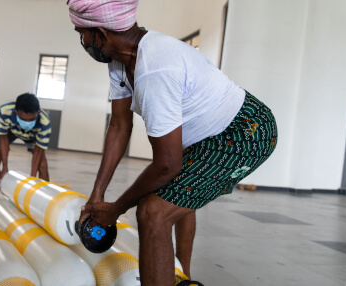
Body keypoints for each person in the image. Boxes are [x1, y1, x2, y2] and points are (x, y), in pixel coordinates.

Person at [66, 0, 278, 285]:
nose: (82, 40)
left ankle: (180, 275)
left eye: (82, 32)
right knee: (173, 196)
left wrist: (115, 210)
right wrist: (97, 196)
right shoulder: (120, 58)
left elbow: (167, 164)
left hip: (244, 133)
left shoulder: (154, 69)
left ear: (101, 34)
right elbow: (118, 126)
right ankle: (179, 276)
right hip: (208, 136)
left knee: (153, 211)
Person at [0, 93, 52, 200]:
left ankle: (44, 201)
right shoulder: (4, 111)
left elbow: (38, 151)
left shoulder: (44, 122)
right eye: (23, 119)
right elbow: (3, 138)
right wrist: (4, 168)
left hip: (32, 136)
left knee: (42, 164)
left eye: (31, 120)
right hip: (8, 132)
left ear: (37, 113)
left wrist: (31, 179)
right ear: (15, 113)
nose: (27, 123)